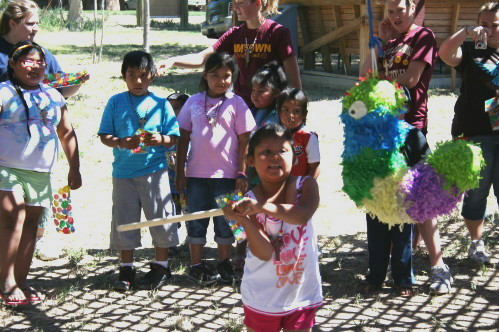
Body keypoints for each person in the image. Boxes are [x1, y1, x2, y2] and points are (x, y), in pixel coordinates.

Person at [360, 0, 451, 295]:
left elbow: (411, 79)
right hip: (383, 127)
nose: (396, 16)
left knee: (418, 196)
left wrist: (381, 79)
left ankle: (438, 264)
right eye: (391, 11)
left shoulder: (423, 36)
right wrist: (380, 41)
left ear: (413, 9)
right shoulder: (392, 41)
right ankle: (399, 265)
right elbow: (365, 76)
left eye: (401, 10)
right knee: (388, 195)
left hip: (411, 126)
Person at [0, 0, 89, 261]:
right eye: (31, 23)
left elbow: (60, 93)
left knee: (38, 196)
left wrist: (77, 82)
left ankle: (37, 240)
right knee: (9, 209)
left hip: (39, 146)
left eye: (38, 22)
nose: (36, 28)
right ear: (13, 23)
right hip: (6, 149)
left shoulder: (42, 54)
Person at [0, 41, 82, 305]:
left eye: (40, 62)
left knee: (31, 226)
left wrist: (75, 167)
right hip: (5, 168)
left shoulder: (53, 95)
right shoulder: (3, 92)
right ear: (13, 65)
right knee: (13, 218)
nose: (35, 66)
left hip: (40, 172)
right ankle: (6, 281)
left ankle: (21, 280)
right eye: (27, 61)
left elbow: (66, 132)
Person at [222, 124, 323, 331]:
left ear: (294, 158)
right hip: (261, 297)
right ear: (250, 160)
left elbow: (301, 216)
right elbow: (264, 252)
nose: (275, 157)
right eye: (266, 152)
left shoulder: (306, 185)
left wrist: (260, 207)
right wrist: (243, 220)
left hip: (301, 293)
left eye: (282, 151)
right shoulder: (241, 203)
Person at [98, 51, 180, 291]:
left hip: (155, 172)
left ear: (152, 76)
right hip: (123, 173)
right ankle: (126, 267)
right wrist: (121, 142)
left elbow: (174, 138)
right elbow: (104, 135)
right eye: (132, 75)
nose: (138, 81)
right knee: (125, 220)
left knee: (160, 218)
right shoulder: (115, 102)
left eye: (143, 75)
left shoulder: (162, 104)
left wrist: (160, 138)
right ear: (123, 76)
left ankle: (161, 265)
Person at [175, 52, 256, 285]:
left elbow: (245, 141)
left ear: (233, 76)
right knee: (196, 220)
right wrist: (180, 173)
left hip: (227, 177)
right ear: (204, 75)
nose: (221, 80)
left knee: (226, 222)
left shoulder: (237, 103)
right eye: (215, 75)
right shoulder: (192, 102)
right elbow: (183, 139)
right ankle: (196, 265)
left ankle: (224, 262)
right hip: (195, 176)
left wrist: (241, 173)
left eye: (226, 76)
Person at [439, 2, 499, 265]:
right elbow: (444, 54)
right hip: (475, 131)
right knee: (476, 191)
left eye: (494, 24)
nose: (489, 29)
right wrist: (465, 31)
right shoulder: (472, 49)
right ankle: (476, 243)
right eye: (484, 24)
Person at [157, 0, 301, 110]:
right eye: (235, 2)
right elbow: (202, 59)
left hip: (269, 105)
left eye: (240, 3)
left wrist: (296, 106)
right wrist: (173, 61)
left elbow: (294, 77)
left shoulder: (277, 32)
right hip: (241, 103)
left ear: (257, 3)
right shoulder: (235, 34)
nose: (235, 7)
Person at [356, 127, 431, 298]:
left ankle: (403, 279)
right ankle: (375, 278)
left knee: (402, 240)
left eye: (402, 102)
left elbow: (426, 162)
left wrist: (412, 181)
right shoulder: (371, 132)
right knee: (376, 239)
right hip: (377, 198)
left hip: (403, 200)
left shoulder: (413, 134)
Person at [232, 60, 289, 271]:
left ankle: (267, 247)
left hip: (266, 177)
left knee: (265, 216)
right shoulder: (254, 112)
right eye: (253, 90)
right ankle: (240, 247)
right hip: (250, 174)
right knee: (242, 209)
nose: (255, 95)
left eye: (261, 91)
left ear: (276, 92)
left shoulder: (279, 117)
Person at [277, 88, 320, 179]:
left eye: (296, 111)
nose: (291, 116)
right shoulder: (273, 135)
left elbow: (315, 167)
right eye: (286, 110)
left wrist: (304, 187)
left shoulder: (308, 137)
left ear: (304, 114)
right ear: (279, 112)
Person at [166, 92, 190, 215]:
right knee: (170, 223)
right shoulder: (162, 131)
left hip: (188, 188)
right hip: (168, 189)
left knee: (191, 220)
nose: (171, 112)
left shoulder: (193, 132)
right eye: (168, 108)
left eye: (176, 108)